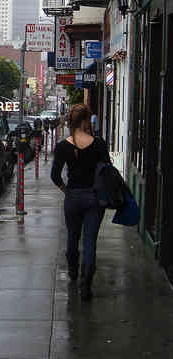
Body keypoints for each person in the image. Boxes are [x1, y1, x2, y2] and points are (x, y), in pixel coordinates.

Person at [50, 104, 111, 301]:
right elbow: (107, 170)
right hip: (94, 197)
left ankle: (73, 270)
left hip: (73, 197)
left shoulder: (62, 146)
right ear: (86, 121)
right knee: (90, 241)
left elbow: (55, 176)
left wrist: (66, 190)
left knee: (72, 237)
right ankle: (86, 285)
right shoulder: (99, 144)